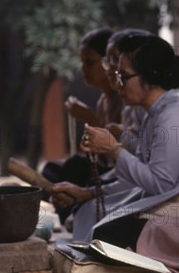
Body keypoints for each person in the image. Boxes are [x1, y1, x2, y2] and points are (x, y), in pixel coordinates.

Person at [51, 34, 179, 255]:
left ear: (149, 76)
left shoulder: (173, 115)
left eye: (123, 76)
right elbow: (139, 175)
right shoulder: (155, 112)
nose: (117, 84)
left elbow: (159, 184)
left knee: (107, 235)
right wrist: (89, 193)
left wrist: (113, 149)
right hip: (173, 202)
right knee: (91, 215)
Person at [41, 28, 121, 195]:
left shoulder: (126, 100)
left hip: (121, 176)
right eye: (82, 62)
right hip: (105, 171)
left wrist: (88, 117)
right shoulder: (103, 102)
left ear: (110, 63)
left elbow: (117, 151)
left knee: (73, 168)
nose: (83, 69)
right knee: (51, 172)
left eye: (90, 62)